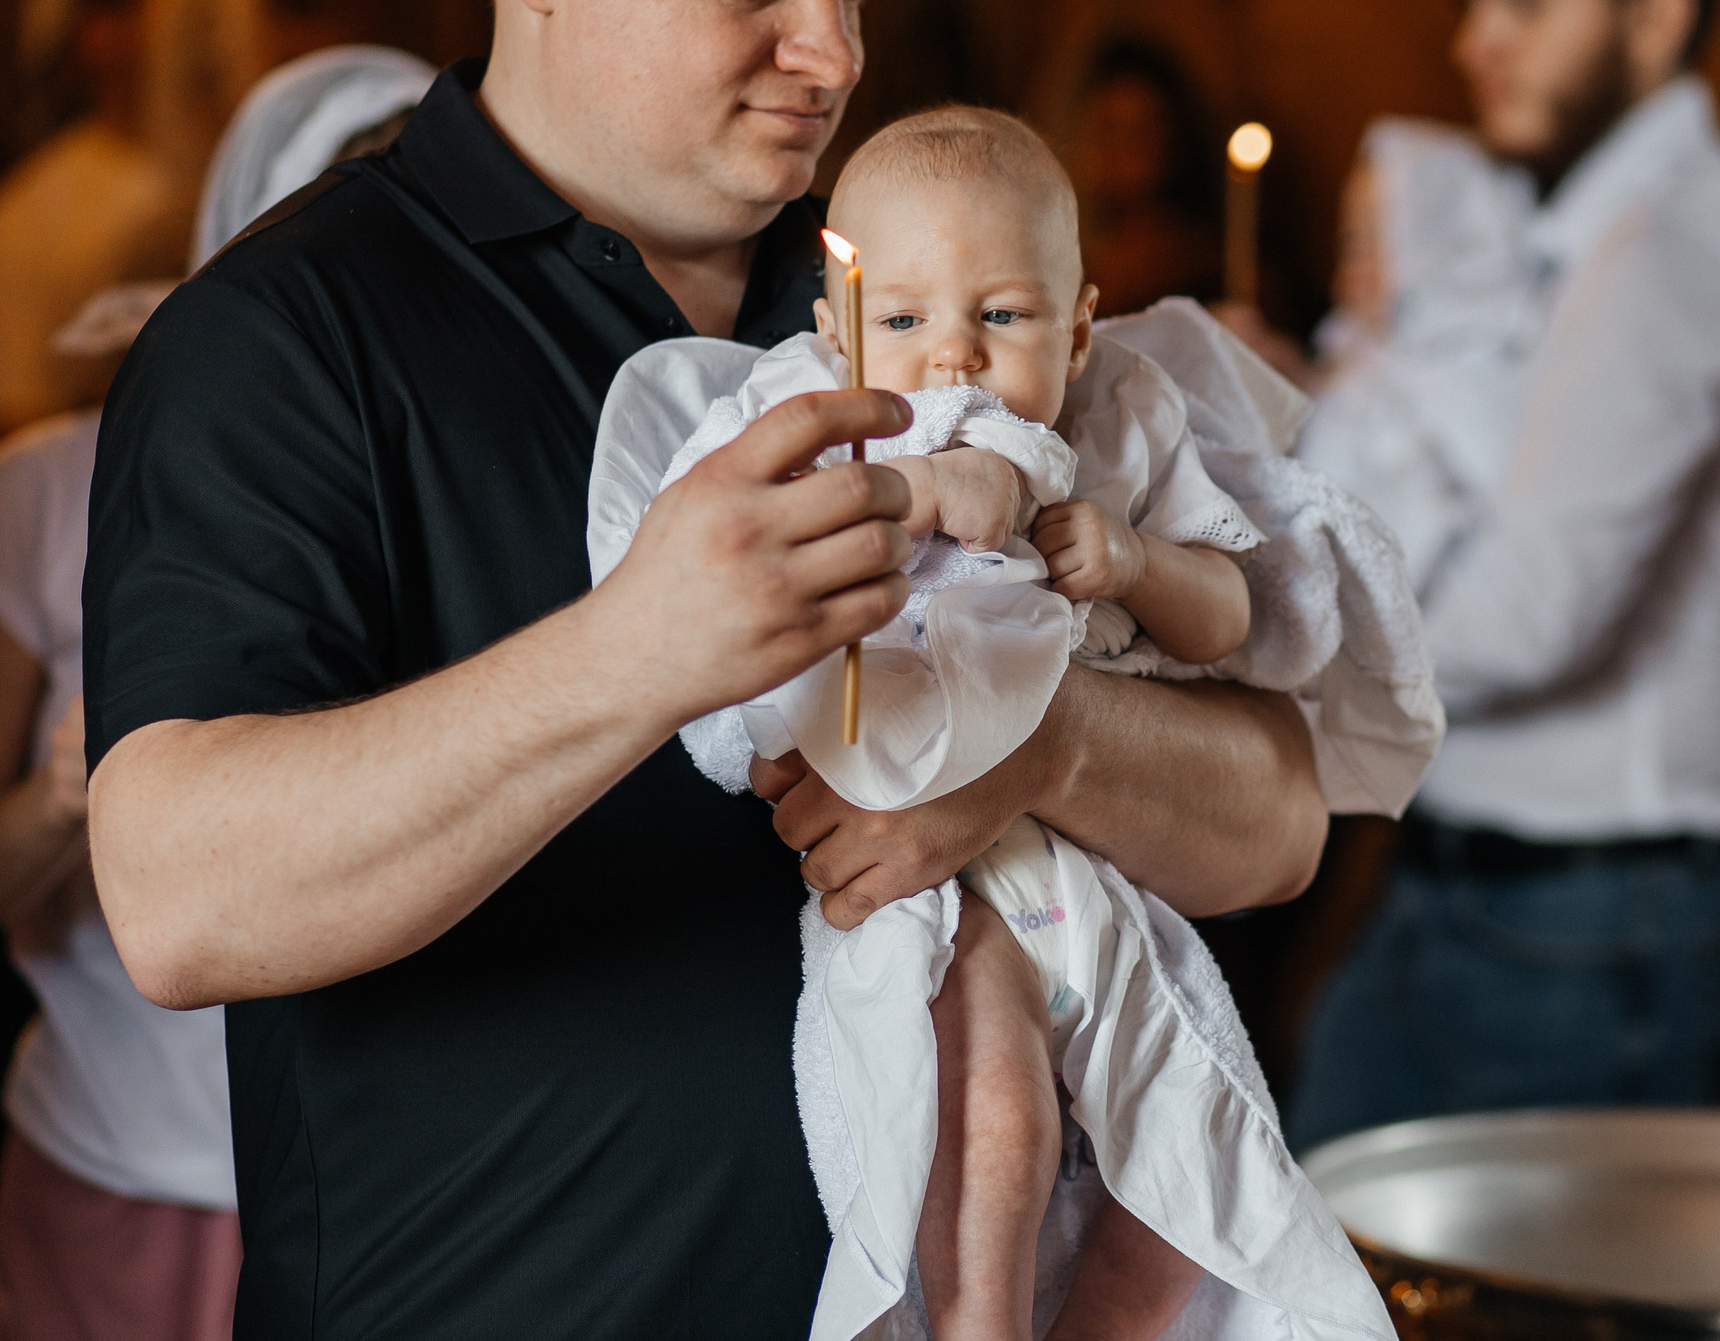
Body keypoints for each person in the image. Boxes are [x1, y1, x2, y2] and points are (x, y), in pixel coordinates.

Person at [81, 0, 1329, 1339]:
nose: (833, 52)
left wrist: (1035, 752)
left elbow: (1283, 817)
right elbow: (176, 896)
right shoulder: (288, 335)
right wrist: (638, 653)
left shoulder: (929, 297)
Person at [595, 106, 1411, 1341]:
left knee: (1187, 1174)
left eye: (1005, 316)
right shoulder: (808, 418)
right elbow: (721, 653)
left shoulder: (1122, 419)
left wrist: (1136, 561)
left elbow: (1230, 616)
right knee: (1000, 1122)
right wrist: (913, 501)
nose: (953, 363)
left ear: (1080, 324)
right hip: (939, 895)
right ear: (836, 328)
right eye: (905, 319)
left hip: (1090, 880)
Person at [1263, 0, 1720, 1147]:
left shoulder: (1669, 247)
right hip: (1489, 887)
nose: (1474, 43)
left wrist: (1264, 625)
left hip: (1595, 915)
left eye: (1525, 0)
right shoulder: (1569, 231)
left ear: (1655, 17)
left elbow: (1526, 620)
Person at [0, 45, 435, 1341]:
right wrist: (68, 791)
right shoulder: (36, 494)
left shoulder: (470, 492)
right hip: (123, 1173)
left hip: (394, 1167)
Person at [0, 0, 214, 437]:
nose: (199, 39)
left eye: (210, 13)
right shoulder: (28, 214)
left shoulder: (264, 171)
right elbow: (12, 428)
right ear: (99, 31)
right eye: (175, 13)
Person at [1069, 34, 1224, 316]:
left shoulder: (1205, 261)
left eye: (1140, 134)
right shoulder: (1071, 247)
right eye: (1110, 132)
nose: (1124, 152)